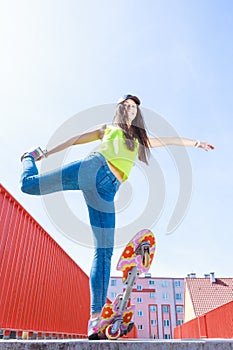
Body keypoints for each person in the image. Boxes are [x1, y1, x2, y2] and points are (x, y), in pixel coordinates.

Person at [20, 94, 214, 339]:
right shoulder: (108, 128)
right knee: (29, 185)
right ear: (121, 109)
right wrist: (43, 152)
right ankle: (27, 159)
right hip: (93, 167)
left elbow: (169, 141)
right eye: (127, 106)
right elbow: (76, 140)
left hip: (107, 190)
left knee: (103, 251)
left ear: (137, 112)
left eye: (134, 107)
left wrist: (196, 143)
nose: (130, 109)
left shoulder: (140, 138)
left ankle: (94, 319)